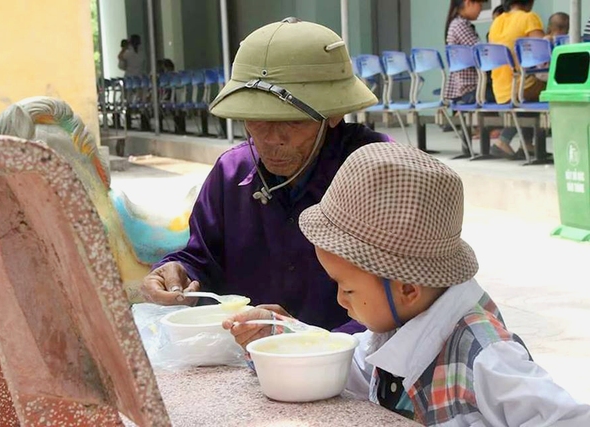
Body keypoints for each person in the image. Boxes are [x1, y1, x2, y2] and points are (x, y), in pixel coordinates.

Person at [224, 143, 590, 426]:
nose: (340, 299)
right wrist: (281, 334)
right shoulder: (398, 324)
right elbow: (350, 364)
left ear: (408, 288)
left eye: (347, 289)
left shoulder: (486, 359)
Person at [140, 18, 393, 332]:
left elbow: (408, 301)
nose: (272, 138)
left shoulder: (381, 171)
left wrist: (304, 339)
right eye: (257, 120)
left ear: (334, 113)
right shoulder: (230, 173)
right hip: (249, 359)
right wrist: (179, 270)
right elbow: (203, 256)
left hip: (356, 368)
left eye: (293, 121)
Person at [489, 0, 545, 159]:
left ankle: (527, 144)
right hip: (521, 85)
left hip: (500, 87)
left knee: (529, 95)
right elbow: (543, 52)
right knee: (550, 88)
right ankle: (503, 141)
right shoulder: (529, 18)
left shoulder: (497, 21)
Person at [444, 0, 487, 104]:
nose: (481, 8)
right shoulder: (461, 25)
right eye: (480, 4)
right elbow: (482, 54)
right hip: (473, 89)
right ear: (468, 3)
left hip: (467, 89)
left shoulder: (457, 23)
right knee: (511, 93)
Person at [537, 12, 570, 82]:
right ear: (567, 29)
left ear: (549, 26)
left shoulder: (543, 40)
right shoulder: (563, 42)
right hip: (552, 74)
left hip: (539, 73)